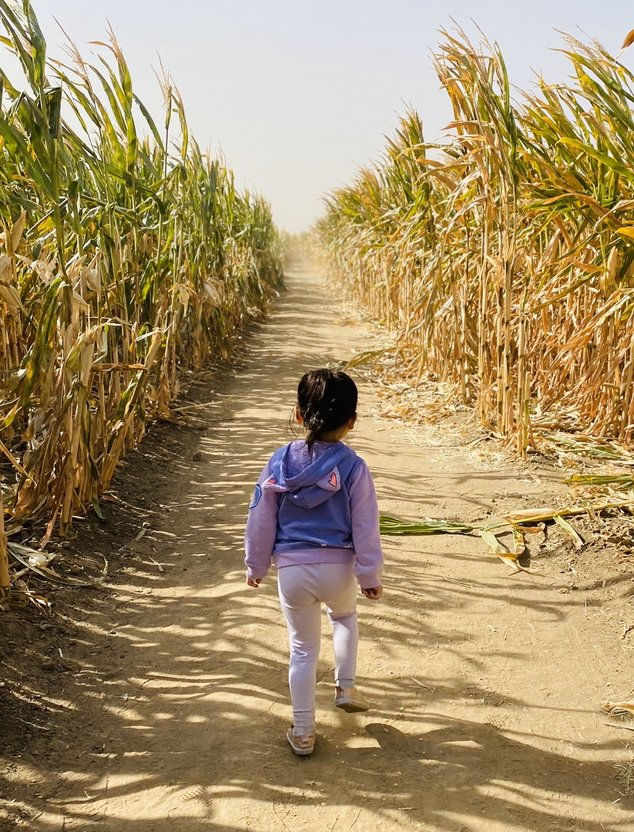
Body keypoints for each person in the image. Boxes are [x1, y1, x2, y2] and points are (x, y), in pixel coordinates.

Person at [244, 368, 384, 757]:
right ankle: (346, 685)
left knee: (302, 648)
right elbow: (365, 524)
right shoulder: (354, 467)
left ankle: (304, 732)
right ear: (352, 422)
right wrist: (369, 574)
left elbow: (260, 516)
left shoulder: (278, 462)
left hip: (292, 569)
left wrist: (255, 564)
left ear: (299, 414)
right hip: (338, 567)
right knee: (344, 619)